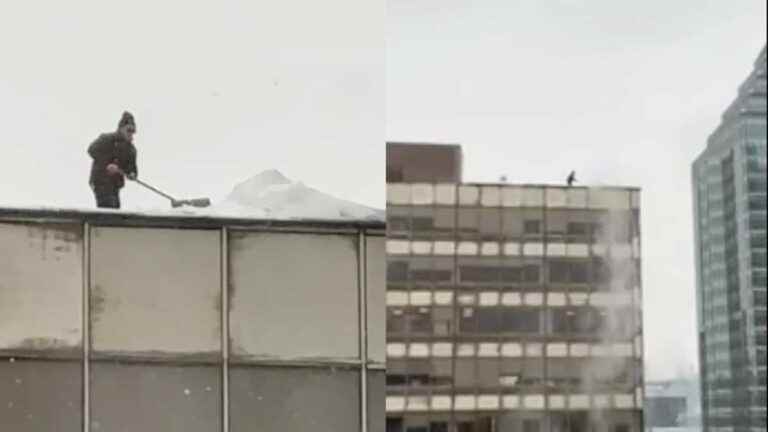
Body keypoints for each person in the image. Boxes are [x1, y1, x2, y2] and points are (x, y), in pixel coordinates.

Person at [88, 112, 138, 209]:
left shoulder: (131, 150)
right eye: (128, 130)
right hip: (100, 180)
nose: (130, 134)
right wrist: (107, 164)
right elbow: (91, 150)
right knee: (108, 205)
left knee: (115, 208)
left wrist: (132, 174)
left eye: (133, 131)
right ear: (121, 128)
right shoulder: (106, 139)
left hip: (115, 185)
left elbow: (132, 169)